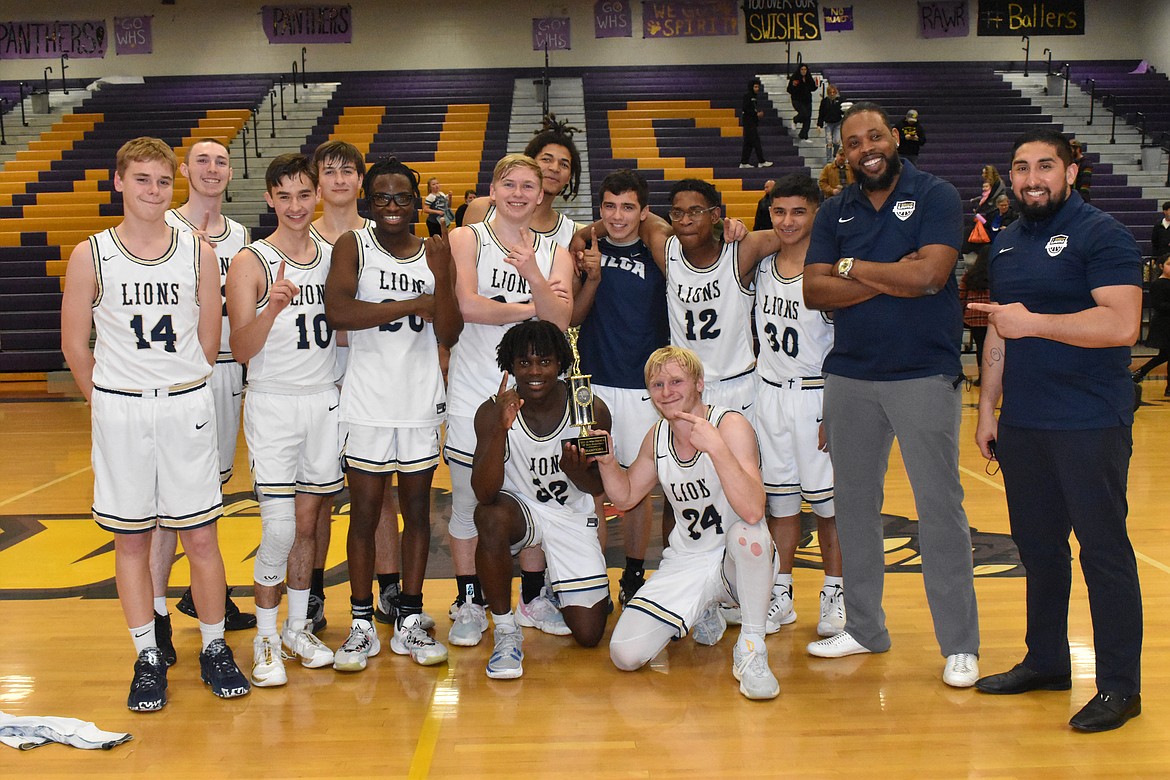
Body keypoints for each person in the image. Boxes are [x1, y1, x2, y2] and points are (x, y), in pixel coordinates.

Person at [60, 137, 249, 710]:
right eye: (141, 179)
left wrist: (185, 382)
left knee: (200, 536)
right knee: (131, 539)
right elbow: (74, 343)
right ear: (118, 182)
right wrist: (106, 400)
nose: (153, 191)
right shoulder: (91, 252)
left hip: (185, 401)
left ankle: (214, 647)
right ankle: (147, 654)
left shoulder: (198, 252)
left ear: (175, 185)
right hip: (122, 406)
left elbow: (210, 339)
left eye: (163, 181)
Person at [971, 129, 1144, 733]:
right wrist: (987, 407)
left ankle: (1121, 687)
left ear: (1071, 173)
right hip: (1024, 422)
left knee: (1103, 554)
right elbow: (1000, 329)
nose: (1031, 178)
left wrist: (1033, 322)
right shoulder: (1008, 242)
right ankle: (1047, 661)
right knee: (1039, 553)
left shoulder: (1104, 233)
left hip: (1089, 421)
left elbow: (1122, 323)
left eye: (1046, 166)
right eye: (1021, 168)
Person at [802, 102, 980, 688]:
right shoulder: (834, 209)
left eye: (874, 136)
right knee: (853, 506)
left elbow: (930, 277)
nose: (866, 148)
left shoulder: (936, 195)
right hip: (850, 376)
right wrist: (886, 273)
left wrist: (852, 270)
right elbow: (814, 292)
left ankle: (959, 644)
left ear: (895, 138)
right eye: (853, 142)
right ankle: (865, 628)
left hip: (924, 374)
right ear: (844, 153)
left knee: (939, 510)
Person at [322, 157, 462, 671]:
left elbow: (449, 332)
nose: (392, 207)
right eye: (381, 197)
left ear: (416, 200)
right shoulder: (352, 245)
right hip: (366, 401)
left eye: (402, 197)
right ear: (368, 201)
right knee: (363, 514)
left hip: (420, 400)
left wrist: (442, 280)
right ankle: (361, 622)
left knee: (419, 514)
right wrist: (409, 305)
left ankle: (410, 617)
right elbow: (339, 312)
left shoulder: (434, 252)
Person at [442, 153, 574, 647]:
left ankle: (534, 597)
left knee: (534, 495)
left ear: (541, 195)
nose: (519, 193)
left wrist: (533, 276)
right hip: (474, 386)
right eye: (509, 184)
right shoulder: (466, 237)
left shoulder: (556, 246)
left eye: (528, 187)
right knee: (467, 500)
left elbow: (560, 322)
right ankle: (469, 600)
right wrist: (532, 308)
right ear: (492, 190)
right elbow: (467, 306)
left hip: (532, 389)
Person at [597, 346, 779, 701]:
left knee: (750, 533)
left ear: (699, 384)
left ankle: (752, 649)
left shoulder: (731, 425)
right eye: (658, 384)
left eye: (677, 381)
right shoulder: (657, 437)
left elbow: (755, 509)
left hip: (737, 563)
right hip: (687, 562)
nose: (667, 392)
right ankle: (703, 608)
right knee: (625, 654)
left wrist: (717, 449)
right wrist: (606, 462)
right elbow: (627, 496)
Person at [225, 153, 342, 686]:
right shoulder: (250, 260)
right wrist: (271, 307)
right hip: (273, 400)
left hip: (323, 399)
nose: (295, 206)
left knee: (311, 525)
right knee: (278, 528)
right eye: (284, 196)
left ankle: (298, 628)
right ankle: (266, 638)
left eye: (303, 195)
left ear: (315, 195)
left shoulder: (335, 255)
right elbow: (241, 347)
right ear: (269, 198)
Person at [152, 138, 255, 659]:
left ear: (230, 173)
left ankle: (200, 592)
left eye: (221, 161)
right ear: (184, 172)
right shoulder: (162, 226)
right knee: (165, 503)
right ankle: (156, 616)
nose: (212, 169)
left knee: (208, 491)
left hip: (226, 371)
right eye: (202, 161)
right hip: (177, 375)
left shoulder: (239, 234)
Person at [473, 321, 612, 679]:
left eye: (545, 362)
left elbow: (599, 487)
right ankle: (506, 630)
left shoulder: (588, 408)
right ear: (511, 366)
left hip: (571, 516)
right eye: (524, 363)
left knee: (589, 634)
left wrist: (576, 471)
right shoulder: (492, 411)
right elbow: (485, 493)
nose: (534, 372)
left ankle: (556, 587)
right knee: (489, 517)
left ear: (561, 363)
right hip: (523, 510)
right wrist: (498, 431)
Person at [571, 170, 670, 605]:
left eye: (628, 206)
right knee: (591, 483)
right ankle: (592, 577)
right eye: (609, 206)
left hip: (642, 391)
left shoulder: (659, 254)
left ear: (643, 212)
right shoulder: (583, 251)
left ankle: (632, 574)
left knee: (636, 487)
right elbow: (572, 317)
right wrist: (588, 274)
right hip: (588, 388)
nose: (617, 215)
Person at [753, 174, 845, 638]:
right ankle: (781, 593)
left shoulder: (829, 270)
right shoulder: (764, 264)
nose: (787, 221)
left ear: (817, 213)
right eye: (778, 211)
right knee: (782, 504)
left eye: (798, 211)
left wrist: (835, 407)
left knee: (830, 508)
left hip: (815, 395)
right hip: (768, 393)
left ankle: (835, 593)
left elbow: (844, 343)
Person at [1131, 255, 1170, 395]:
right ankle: (1139, 373)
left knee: (1165, 355)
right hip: (1164, 324)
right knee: (1165, 355)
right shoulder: (1159, 284)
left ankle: (1140, 373)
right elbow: (1159, 305)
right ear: (1161, 266)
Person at [958, 251, 991, 386]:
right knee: (993, 347)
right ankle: (995, 376)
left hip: (974, 317)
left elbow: (961, 296)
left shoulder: (969, 275)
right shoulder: (997, 274)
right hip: (991, 316)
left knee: (980, 346)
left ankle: (982, 376)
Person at [739, 78, 772, 168]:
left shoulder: (754, 97)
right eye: (755, 87)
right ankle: (761, 161)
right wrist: (756, 114)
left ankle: (744, 162)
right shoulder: (748, 96)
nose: (757, 88)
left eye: (758, 87)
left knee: (748, 143)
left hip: (751, 122)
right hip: (749, 123)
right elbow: (745, 109)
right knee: (756, 141)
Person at [786, 64, 818, 141]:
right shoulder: (795, 77)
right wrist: (793, 85)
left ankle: (803, 135)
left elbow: (812, 88)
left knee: (808, 118)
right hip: (797, 100)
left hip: (807, 100)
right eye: (802, 69)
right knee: (804, 113)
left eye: (805, 69)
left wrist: (816, 85)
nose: (803, 71)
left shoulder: (809, 78)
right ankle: (795, 119)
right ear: (799, 70)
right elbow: (789, 90)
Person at [817, 83, 845, 158]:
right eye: (830, 93)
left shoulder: (840, 100)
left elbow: (843, 111)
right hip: (828, 123)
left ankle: (835, 153)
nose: (832, 94)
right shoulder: (824, 101)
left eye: (833, 92)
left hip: (838, 123)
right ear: (828, 93)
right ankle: (829, 159)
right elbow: (821, 113)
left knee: (837, 141)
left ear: (836, 93)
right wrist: (819, 125)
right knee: (829, 141)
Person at [1070, 139, 1092, 203]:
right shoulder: (1071, 162)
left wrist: (1082, 198)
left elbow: (1086, 182)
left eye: (1071, 149)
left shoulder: (1086, 163)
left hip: (1080, 198)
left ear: (1078, 149)